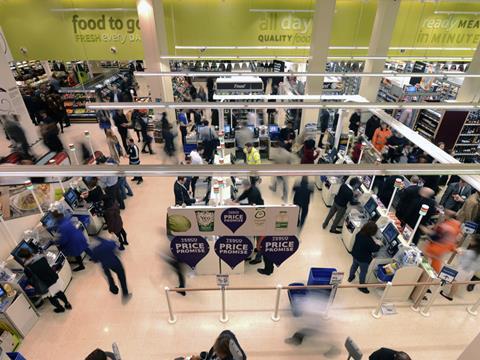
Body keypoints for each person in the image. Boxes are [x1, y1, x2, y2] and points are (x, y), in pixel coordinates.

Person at [17, 248, 72, 313]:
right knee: (59, 292)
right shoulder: (41, 257)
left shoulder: (27, 268)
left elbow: (31, 280)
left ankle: (60, 308)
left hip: (45, 284)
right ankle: (67, 304)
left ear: (23, 258)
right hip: (53, 277)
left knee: (51, 297)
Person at [90, 237, 131, 303]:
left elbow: (95, 260)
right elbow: (117, 251)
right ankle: (125, 295)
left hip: (105, 265)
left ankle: (113, 288)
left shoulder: (95, 249)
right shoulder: (108, 243)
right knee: (121, 277)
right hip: (115, 263)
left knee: (109, 277)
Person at [441, 234, 480, 301]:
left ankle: (450, 295)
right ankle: (447, 288)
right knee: (456, 282)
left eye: (472, 239)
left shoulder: (471, 252)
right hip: (470, 271)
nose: (470, 240)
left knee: (456, 282)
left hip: (464, 270)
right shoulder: (477, 251)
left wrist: (459, 251)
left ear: (476, 242)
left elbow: (462, 257)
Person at [348, 221, 381, 294]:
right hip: (363, 259)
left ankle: (350, 277)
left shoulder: (359, 233)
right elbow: (374, 249)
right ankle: (361, 286)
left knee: (354, 266)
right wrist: (379, 244)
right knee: (363, 272)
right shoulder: (368, 240)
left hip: (355, 254)